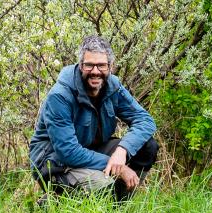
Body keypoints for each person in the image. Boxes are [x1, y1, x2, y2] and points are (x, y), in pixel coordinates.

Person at [29, 35, 158, 202]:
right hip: (56, 162)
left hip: (91, 151)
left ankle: (120, 206)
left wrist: (122, 151)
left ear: (110, 67)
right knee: (102, 186)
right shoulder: (60, 96)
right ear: (81, 66)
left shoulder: (113, 87)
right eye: (89, 65)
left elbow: (145, 120)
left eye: (101, 65)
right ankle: (54, 200)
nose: (95, 71)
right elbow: (68, 152)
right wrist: (120, 168)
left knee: (148, 147)